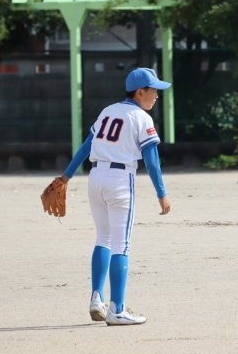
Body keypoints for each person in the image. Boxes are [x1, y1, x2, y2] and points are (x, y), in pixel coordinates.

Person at [57, 68, 171, 326]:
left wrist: (66, 176)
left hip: (95, 177)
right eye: (154, 91)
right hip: (120, 180)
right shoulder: (142, 118)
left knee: (103, 238)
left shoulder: (107, 111)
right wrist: (161, 193)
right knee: (122, 245)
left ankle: (96, 298)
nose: (156, 96)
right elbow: (152, 161)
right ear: (140, 92)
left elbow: (87, 145)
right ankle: (117, 309)